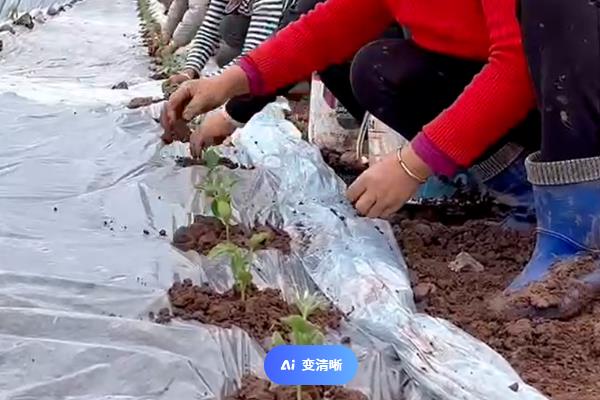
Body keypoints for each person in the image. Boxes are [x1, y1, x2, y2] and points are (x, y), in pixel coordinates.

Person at [162, 0, 600, 315]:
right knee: (379, 66)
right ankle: (526, 194)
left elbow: (515, 67)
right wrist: (228, 86)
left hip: (577, 84)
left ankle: (580, 237)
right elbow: (325, 28)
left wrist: (414, 162)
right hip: (543, 97)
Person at [165, 0, 296, 86]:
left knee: (248, 67)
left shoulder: (268, 2)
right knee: (225, 54)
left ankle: (292, 82)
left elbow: (252, 56)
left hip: (293, 44)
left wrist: (207, 83)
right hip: (262, 39)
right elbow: (208, 31)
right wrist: (189, 71)